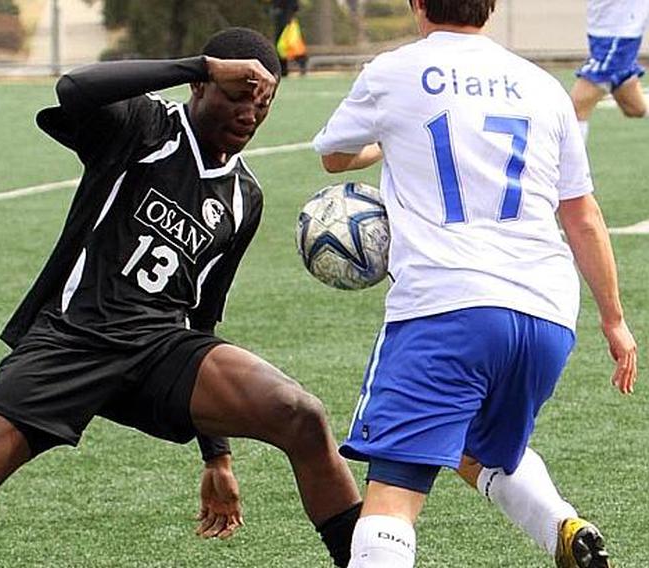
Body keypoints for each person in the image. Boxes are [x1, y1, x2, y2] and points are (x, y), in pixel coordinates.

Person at [0, 28, 363, 567]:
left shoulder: (244, 198)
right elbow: (75, 88)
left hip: (158, 349)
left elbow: (203, 320)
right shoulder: (145, 127)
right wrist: (195, 64)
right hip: (71, 340)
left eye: (262, 101)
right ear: (201, 86)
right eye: (236, 93)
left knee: (301, 415)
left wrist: (216, 457)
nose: (250, 112)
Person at [313, 1, 638, 566]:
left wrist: (389, 139)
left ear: (417, 3)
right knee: (480, 449)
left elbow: (336, 156)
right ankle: (561, 525)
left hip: (448, 307)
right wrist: (614, 318)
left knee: (393, 489)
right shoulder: (543, 86)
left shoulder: (395, 70)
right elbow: (582, 214)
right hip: (547, 319)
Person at [571, 0, 649, 141]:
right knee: (634, 108)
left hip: (619, 35)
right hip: (603, 30)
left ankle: (571, 163)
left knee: (577, 106)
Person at [271, 0, 308, 77]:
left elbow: (294, 5)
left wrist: (290, 17)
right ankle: (283, 69)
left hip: (287, 19)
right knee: (281, 46)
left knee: (292, 44)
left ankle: (302, 63)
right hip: (280, 19)